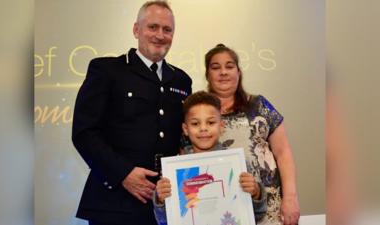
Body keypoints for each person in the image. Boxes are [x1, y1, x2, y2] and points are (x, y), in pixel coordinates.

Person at [71, 1, 192, 225]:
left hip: (167, 204)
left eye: (167, 29)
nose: (160, 35)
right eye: (153, 27)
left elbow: (186, 137)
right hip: (114, 203)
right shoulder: (107, 70)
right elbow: (84, 132)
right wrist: (123, 173)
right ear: (136, 30)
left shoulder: (181, 80)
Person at [203, 44, 300, 225]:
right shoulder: (199, 114)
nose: (223, 72)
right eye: (216, 68)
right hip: (225, 211)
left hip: (270, 210)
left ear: (239, 72)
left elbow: (283, 152)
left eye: (229, 66)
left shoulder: (260, 105)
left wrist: (291, 197)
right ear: (208, 75)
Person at [153, 91, 267, 225]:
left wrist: (255, 192)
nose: (203, 129)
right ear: (185, 129)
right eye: (195, 124)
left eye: (211, 122)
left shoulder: (237, 164)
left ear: (221, 126)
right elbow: (163, 220)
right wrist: (161, 199)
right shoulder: (174, 171)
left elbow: (258, 214)